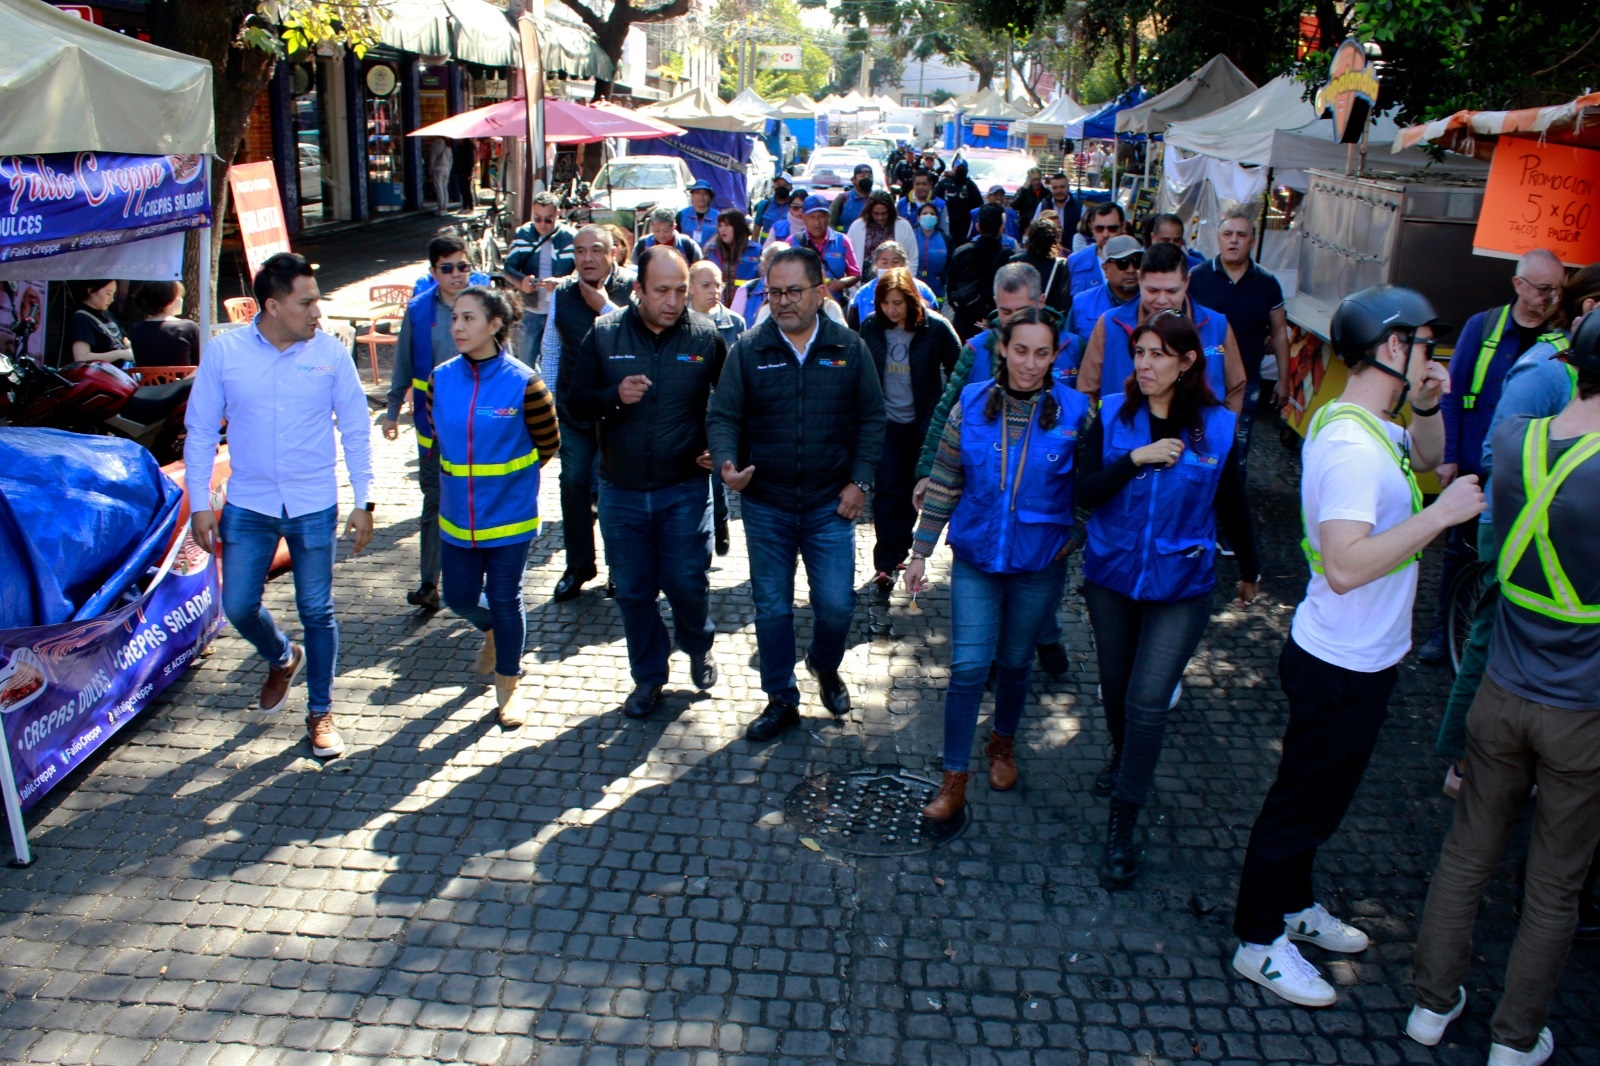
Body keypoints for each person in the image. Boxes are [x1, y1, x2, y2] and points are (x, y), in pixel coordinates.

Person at [1230, 285, 1485, 1009]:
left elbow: (1433, 457)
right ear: (1391, 346)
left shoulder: (1372, 423)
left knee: (1324, 800)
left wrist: (1430, 405)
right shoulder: (1348, 443)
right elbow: (1343, 566)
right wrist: (1438, 518)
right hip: (1337, 662)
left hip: (1365, 660)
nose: (1432, 353)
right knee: (1299, 805)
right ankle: (1257, 939)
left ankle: (1293, 904)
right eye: (1423, 342)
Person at [1406, 312, 1600, 1066]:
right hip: (1582, 713)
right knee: (1554, 885)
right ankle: (1515, 1042)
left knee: (1466, 855)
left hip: (1499, 691)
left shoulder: (1517, 436)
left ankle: (1430, 1004)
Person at [1077, 312, 1259, 888]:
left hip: (1182, 583)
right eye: (1139, 353)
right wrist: (1134, 459)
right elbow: (1083, 493)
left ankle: (1122, 824)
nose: (1145, 365)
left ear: (1187, 363)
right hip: (1112, 577)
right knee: (1116, 688)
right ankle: (1123, 757)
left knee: (1149, 698)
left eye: (1159, 354)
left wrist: (1251, 566)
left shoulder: (1218, 428)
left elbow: (1231, 503)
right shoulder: (1111, 415)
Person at [183, 253, 375, 759]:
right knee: (238, 605)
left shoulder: (330, 354)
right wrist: (199, 502)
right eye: (307, 302)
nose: (318, 312)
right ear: (272, 305)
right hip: (249, 503)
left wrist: (364, 499)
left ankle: (320, 711)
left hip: (314, 504)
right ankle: (281, 656)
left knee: (317, 609)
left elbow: (356, 427)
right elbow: (202, 430)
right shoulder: (225, 353)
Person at [906, 308, 1093, 820]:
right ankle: (952, 781)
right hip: (976, 558)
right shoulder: (970, 403)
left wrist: (1073, 534)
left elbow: (1092, 488)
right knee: (968, 667)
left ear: (1056, 355)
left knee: (1015, 662)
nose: (1029, 363)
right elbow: (945, 477)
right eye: (1020, 350)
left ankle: (1003, 743)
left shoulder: (1078, 412)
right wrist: (920, 551)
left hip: (1039, 562)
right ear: (1003, 351)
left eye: (1041, 352)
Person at [706, 247, 885, 741]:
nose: (783, 302)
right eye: (774, 292)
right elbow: (723, 416)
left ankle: (825, 665)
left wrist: (860, 482)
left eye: (793, 291)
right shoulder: (749, 348)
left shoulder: (850, 347)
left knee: (836, 606)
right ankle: (780, 698)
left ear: (820, 292)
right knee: (772, 608)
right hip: (766, 504)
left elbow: (872, 421)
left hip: (832, 504)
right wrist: (726, 463)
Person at [1435, 264, 1600, 803]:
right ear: (1587, 309)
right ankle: (1462, 760)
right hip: (1513, 525)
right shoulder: (1547, 371)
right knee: (1489, 637)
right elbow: (1495, 452)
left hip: (1556, 527)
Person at [568, 247, 725, 719]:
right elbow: (575, 405)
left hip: (684, 488)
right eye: (662, 291)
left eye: (681, 290)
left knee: (685, 583)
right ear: (637, 290)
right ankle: (649, 678)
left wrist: (722, 448)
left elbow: (735, 404)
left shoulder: (706, 335)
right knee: (634, 591)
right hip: (621, 490)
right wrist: (613, 397)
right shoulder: (604, 334)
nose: (674, 301)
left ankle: (698, 645)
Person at [914, 262, 1081, 677]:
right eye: (1005, 314)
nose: (1015, 324)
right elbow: (944, 413)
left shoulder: (1071, 348)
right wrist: (925, 470)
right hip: (986, 497)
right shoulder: (976, 349)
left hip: (1041, 499)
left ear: (1041, 305)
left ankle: (1047, 634)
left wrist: (1077, 529)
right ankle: (988, 661)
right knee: (991, 576)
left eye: (1022, 311)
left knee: (1032, 582)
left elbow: (1089, 434)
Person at [1416, 248, 1567, 663]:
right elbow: (1453, 391)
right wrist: (1448, 456)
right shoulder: (1483, 327)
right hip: (1474, 464)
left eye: (1558, 289)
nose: (1551, 298)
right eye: (1543, 289)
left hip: (1532, 471)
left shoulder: (1562, 336)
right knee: (1460, 552)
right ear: (1518, 285)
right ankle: (1442, 630)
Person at [425, 285, 558, 728]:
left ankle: (509, 683)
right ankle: (493, 634)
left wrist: (508, 482)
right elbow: (435, 436)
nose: (457, 326)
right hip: (457, 518)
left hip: (509, 517)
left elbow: (547, 443)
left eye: (468, 318)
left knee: (506, 598)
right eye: (455, 318)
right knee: (458, 597)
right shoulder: (440, 378)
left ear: (496, 325)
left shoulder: (525, 383)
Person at [546, 225, 639, 601]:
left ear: (613, 253)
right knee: (573, 484)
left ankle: (621, 568)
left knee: (616, 490)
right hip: (575, 410)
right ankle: (579, 566)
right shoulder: (562, 293)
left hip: (621, 411)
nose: (587, 258)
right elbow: (551, 351)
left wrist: (602, 305)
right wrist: (551, 403)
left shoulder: (633, 287)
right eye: (579, 251)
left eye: (596, 250)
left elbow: (639, 335)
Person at [383, 235, 476, 612]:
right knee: (434, 502)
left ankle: (475, 580)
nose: (456, 274)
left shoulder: (486, 304)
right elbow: (404, 361)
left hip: (477, 427)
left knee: (474, 502)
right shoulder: (420, 310)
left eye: (463, 266)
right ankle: (429, 583)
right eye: (447, 268)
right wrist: (392, 409)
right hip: (433, 428)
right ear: (433, 271)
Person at [858, 267, 960, 591]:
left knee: (912, 490)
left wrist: (943, 405)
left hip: (922, 423)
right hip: (885, 422)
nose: (892, 310)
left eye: (898, 303)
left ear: (911, 301)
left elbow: (960, 369)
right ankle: (885, 562)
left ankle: (903, 546)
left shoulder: (936, 328)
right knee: (886, 487)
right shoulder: (872, 327)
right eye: (886, 303)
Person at [1077, 241, 1247, 412]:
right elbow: (1087, 391)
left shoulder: (1216, 325)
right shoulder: (1109, 325)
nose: (1162, 300)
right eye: (1153, 291)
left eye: (1172, 291)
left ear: (1187, 282)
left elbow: (1237, 386)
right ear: (1140, 279)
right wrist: (1104, 433)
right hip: (1128, 434)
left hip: (1198, 435)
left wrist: (1222, 432)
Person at [1188, 208, 1291, 467]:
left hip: (1247, 383)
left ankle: (1231, 505)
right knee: (1197, 448)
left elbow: (1279, 332)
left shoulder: (1267, 283)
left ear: (1252, 241)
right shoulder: (1197, 277)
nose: (1234, 240)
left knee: (1236, 453)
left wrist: (1284, 380)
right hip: (1201, 381)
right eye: (1228, 234)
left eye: (1241, 235)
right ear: (1219, 239)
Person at [503, 192, 576, 366]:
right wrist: (522, 281)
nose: (542, 224)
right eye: (538, 219)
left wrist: (562, 282)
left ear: (557, 214)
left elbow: (581, 271)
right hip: (530, 309)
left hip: (560, 309)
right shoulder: (523, 234)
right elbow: (508, 268)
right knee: (525, 362)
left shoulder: (570, 237)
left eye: (548, 219)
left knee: (558, 363)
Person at [945, 204, 1014, 341]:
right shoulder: (1009, 258)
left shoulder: (961, 253)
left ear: (978, 227)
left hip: (963, 321)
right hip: (996, 322)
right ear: (1001, 227)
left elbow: (950, 288)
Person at [1069, 234, 1141, 351]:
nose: (1131, 269)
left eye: (1137, 262)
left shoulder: (1152, 302)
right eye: (1122, 263)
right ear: (1105, 268)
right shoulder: (1082, 303)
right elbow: (1068, 347)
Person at [848, 240, 938, 329]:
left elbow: (935, 323)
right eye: (884, 262)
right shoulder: (863, 292)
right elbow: (853, 328)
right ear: (876, 264)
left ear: (904, 264)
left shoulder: (922, 289)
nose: (889, 267)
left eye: (895, 262)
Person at [793, 195, 860, 305]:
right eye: (812, 217)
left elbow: (855, 274)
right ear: (803, 218)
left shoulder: (843, 240)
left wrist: (842, 283)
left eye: (821, 216)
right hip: (802, 306)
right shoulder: (793, 242)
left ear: (828, 217)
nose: (817, 222)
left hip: (833, 305)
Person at [125, 281, 200, 367]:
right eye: (179, 296)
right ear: (170, 301)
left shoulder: (135, 330)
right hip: (184, 380)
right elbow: (200, 362)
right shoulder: (189, 327)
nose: (182, 300)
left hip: (147, 380)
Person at [1008, 217, 1072, 318]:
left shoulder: (1014, 261)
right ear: (1054, 241)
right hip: (1048, 320)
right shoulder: (1061, 265)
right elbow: (1062, 301)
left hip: (1018, 318)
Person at [847, 190, 917, 279]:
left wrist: (908, 280)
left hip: (896, 283)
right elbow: (849, 257)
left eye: (884, 213)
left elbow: (912, 257)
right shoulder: (857, 226)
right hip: (863, 284)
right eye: (876, 213)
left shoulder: (903, 226)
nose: (880, 217)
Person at [703, 208, 761, 307]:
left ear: (737, 226)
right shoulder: (711, 250)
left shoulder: (755, 250)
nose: (722, 229)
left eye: (727, 225)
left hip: (745, 307)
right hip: (716, 308)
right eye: (720, 225)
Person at [1065, 202, 1124, 296]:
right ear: (1091, 227)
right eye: (1099, 229)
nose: (1105, 234)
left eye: (1112, 228)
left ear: (1122, 227)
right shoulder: (1075, 261)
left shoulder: (1135, 262)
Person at [68, 280, 132, 363]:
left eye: (113, 294)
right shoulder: (81, 319)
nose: (112, 299)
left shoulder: (108, 314)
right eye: (108, 294)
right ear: (91, 291)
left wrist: (129, 346)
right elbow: (81, 357)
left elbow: (123, 339)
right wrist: (119, 354)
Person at [689, 259, 747, 348]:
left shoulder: (736, 322)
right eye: (706, 285)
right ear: (691, 288)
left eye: (718, 285)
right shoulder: (677, 321)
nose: (714, 291)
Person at [936, 160, 983, 250]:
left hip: (964, 227)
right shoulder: (944, 183)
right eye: (958, 168)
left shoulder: (971, 186)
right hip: (946, 224)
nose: (960, 170)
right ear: (953, 169)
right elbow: (936, 201)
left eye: (963, 168)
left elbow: (978, 206)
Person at [634, 206, 703, 264]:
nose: (661, 235)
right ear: (651, 226)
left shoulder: (687, 245)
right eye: (657, 231)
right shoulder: (643, 244)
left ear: (674, 227)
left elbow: (697, 268)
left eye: (666, 231)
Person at [913, 202, 950, 305]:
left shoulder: (946, 239)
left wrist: (944, 278)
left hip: (938, 291)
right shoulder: (911, 235)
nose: (928, 216)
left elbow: (951, 264)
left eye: (932, 214)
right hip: (914, 288)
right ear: (918, 217)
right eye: (924, 213)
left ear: (937, 218)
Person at [898, 171, 948, 238]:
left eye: (924, 184)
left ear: (930, 185)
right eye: (917, 184)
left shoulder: (940, 205)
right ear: (913, 185)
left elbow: (945, 232)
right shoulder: (902, 203)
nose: (920, 187)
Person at [829, 164, 877, 233]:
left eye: (869, 176)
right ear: (853, 180)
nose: (866, 179)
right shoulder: (843, 199)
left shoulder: (877, 199)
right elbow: (830, 223)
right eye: (862, 176)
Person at [1038, 172, 1083, 242]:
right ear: (1051, 189)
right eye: (1055, 188)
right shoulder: (1043, 205)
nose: (1059, 191)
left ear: (1068, 187)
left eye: (1062, 187)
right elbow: (1034, 229)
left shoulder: (1080, 208)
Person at [751, 174, 794, 243]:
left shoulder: (794, 207)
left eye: (785, 185)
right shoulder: (764, 205)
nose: (781, 187)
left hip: (789, 250)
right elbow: (755, 233)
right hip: (767, 249)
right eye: (778, 184)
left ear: (791, 188)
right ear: (773, 186)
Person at [677, 180, 719, 249]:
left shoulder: (718, 216)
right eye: (697, 193)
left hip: (710, 256)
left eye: (705, 193)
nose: (701, 196)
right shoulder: (681, 215)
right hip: (686, 256)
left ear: (710, 197)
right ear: (692, 196)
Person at [428, 137, 454, 213]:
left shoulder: (437, 143)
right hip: (446, 169)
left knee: (438, 188)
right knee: (444, 188)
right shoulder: (448, 145)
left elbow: (433, 157)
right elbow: (451, 160)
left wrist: (430, 169)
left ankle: (440, 208)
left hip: (437, 168)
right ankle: (445, 207)